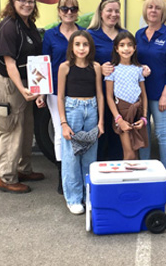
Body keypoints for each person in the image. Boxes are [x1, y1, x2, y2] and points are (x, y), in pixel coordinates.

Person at [0, 0, 45, 194]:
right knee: (11, 129)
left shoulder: (28, 25)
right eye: (22, 0)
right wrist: (22, 89)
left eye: (30, 1)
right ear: (13, 2)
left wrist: (36, 88)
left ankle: (22, 169)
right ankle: (6, 177)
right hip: (9, 84)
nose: (27, 4)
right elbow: (10, 63)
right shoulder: (9, 27)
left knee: (26, 128)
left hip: (25, 83)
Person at [57, 30, 104, 214]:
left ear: (90, 47)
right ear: (71, 47)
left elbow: (100, 94)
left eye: (85, 44)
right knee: (71, 156)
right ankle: (74, 198)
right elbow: (60, 96)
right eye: (77, 44)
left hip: (91, 109)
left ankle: (88, 196)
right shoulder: (65, 67)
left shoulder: (96, 67)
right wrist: (63, 123)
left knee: (90, 156)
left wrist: (101, 122)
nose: (81, 48)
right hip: (72, 110)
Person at [42, 0, 84, 194]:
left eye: (73, 9)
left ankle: (79, 174)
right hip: (55, 91)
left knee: (79, 132)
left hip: (79, 91)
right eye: (65, 9)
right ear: (59, 11)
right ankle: (63, 175)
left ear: (77, 12)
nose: (69, 12)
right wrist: (41, 92)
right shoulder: (50, 35)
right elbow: (44, 64)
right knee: (61, 134)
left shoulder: (84, 34)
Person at [136, 0, 166, 174]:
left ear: (163, 12)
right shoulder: (139, 34)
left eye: (157, 8)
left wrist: (165, 93)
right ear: (145, 11)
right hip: (141, 94)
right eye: (150, 7)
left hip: (160, 94)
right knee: (143, 134)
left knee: (162, 135)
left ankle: (165, 175)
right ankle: (145, 172)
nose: (153, 10)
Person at [88, 0, 124, 160]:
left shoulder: (124, 35)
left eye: (116, 11)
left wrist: (142, 67)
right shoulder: (90, 35)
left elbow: (133, 59)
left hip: (122, 96)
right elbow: (81, 63)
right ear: (101, 13)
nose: (113, 14)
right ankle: (100, 176)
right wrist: (98, 68)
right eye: (109, 10)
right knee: (101, 136)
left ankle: (116, 178)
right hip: (99, 95)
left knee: (119, 136)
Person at [105, 31, 148, 160]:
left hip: (137, 112)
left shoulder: (138, 69)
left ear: (134, 48)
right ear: (116, 49)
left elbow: (144, 95)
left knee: (135, 152)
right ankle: (124, 178)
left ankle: (134, 179)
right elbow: (109, 96)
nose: (126, 48)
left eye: (129, 45)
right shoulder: (112, 70)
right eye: (122, 45)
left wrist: (144, 117)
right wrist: (119, 119)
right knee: (128, 153)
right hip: (122, 113)